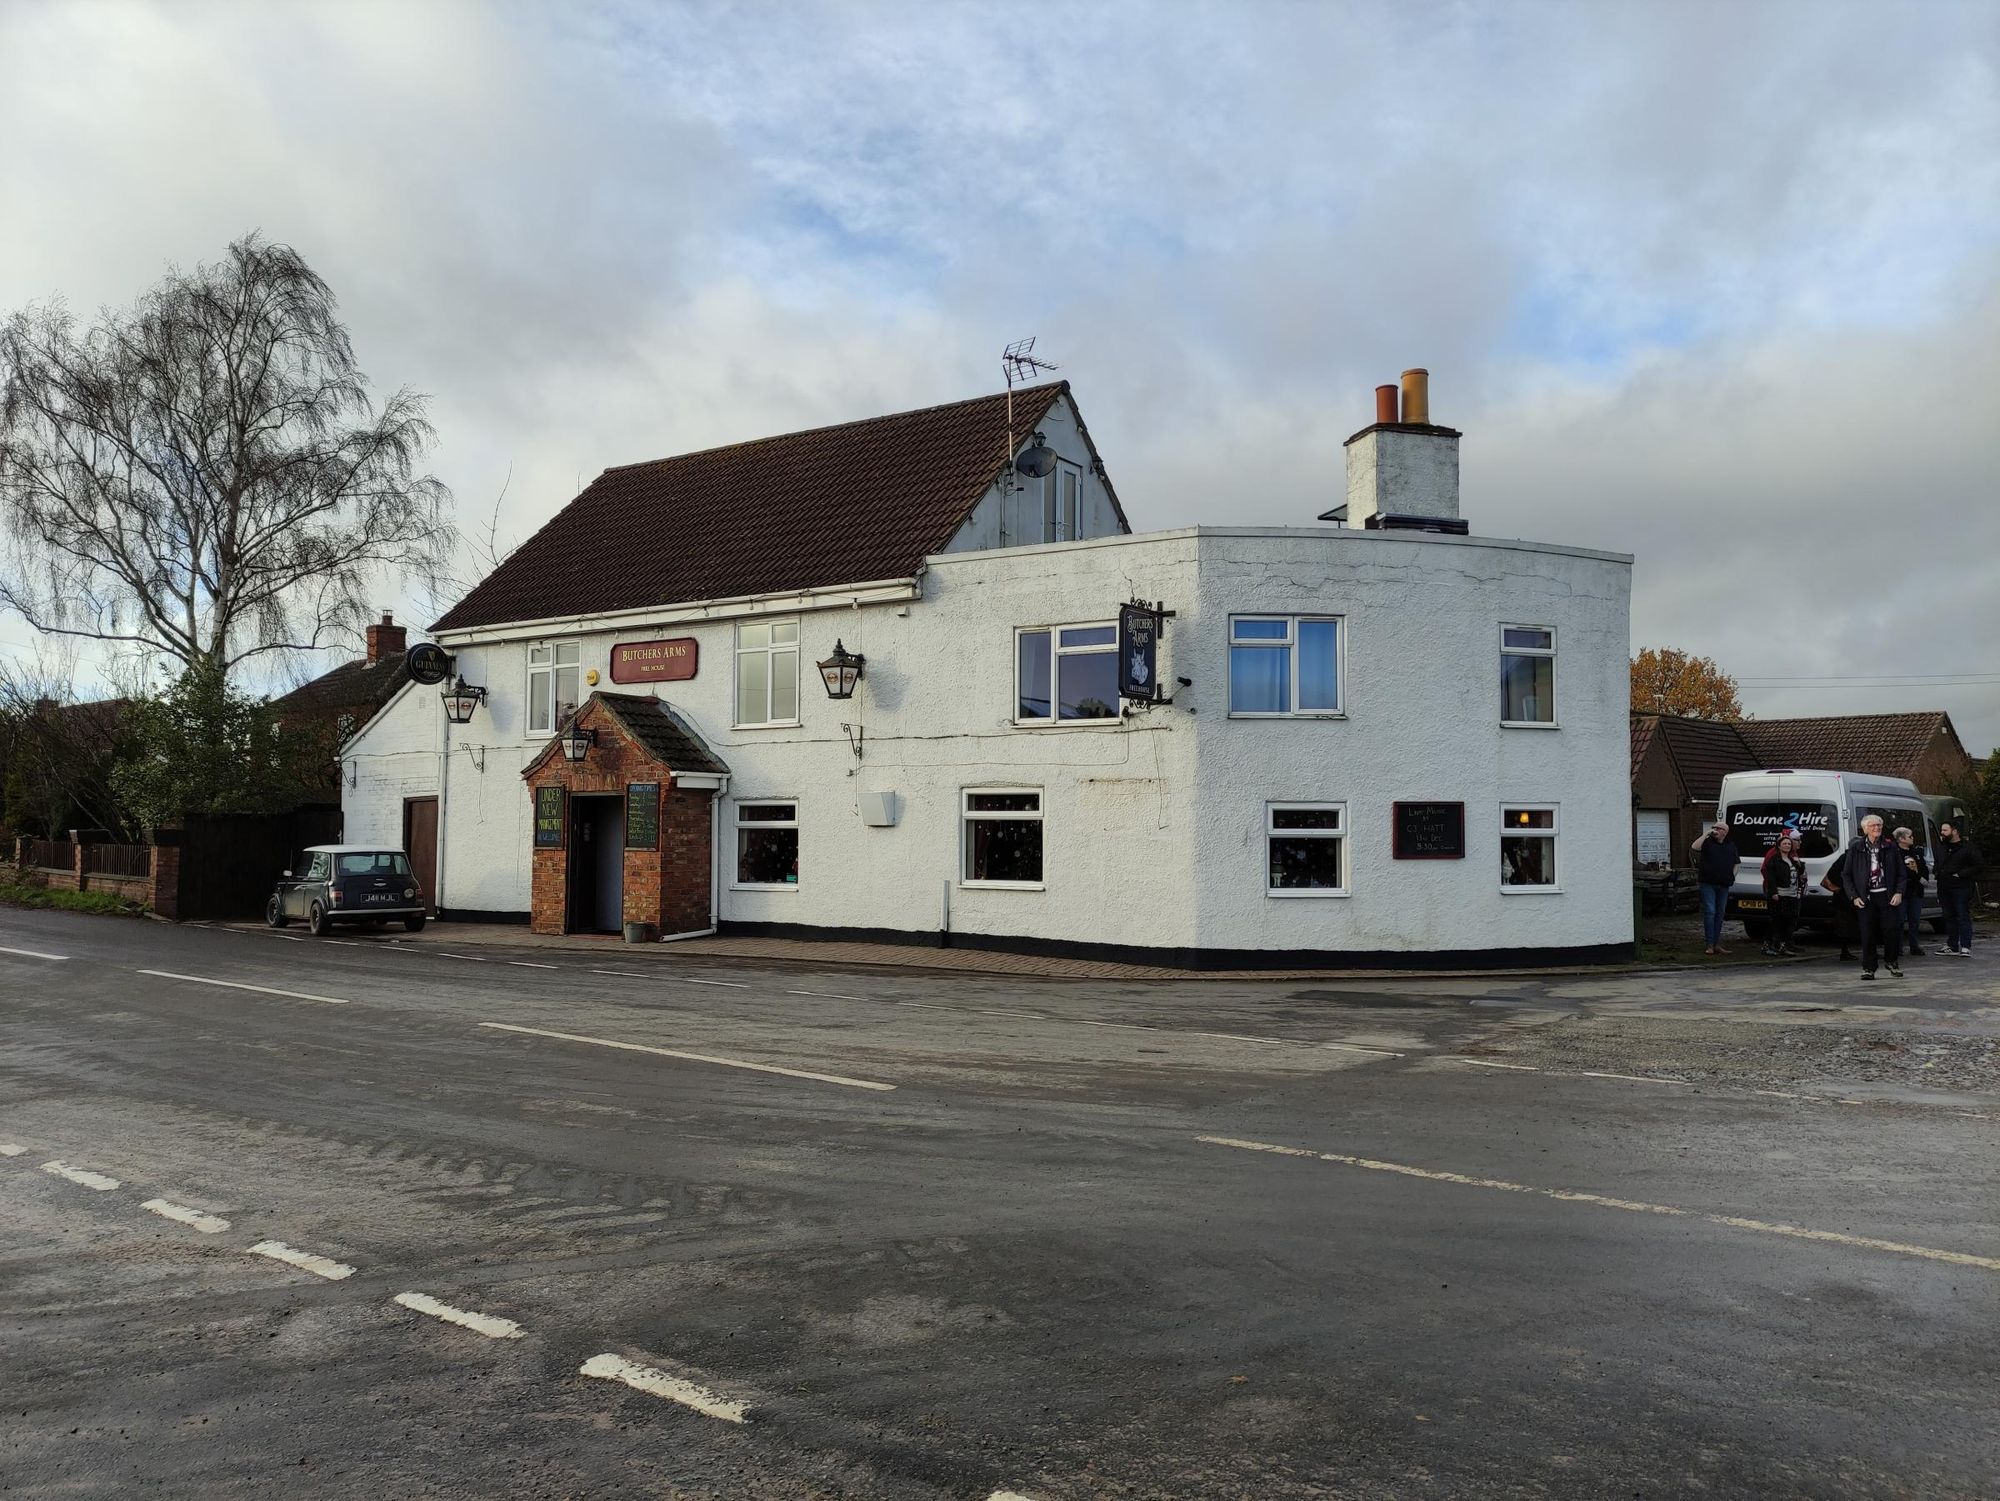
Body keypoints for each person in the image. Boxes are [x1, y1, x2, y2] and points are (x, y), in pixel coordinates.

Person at [1841, 813, 1906, 979]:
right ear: (1865, 829)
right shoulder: (1856, 849)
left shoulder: (1891, 847)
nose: (1876, 828)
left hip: (1887, 895)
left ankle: (1892, 961)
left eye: (1879, 825)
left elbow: (1901, 873)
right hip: (1866, 898)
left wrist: (1898, 892)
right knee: (1867, 933)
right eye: (1873, 826)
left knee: (1891, 931)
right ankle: (1869, 967)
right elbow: (1846, 875)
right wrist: (1853, 896)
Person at [1691, 819, 1742, 956]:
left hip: (1724, 884)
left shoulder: (1730, 845)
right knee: (1710, 911)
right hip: (1708, 883)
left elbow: (1737, 863)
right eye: (1714, 827)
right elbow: (1695, 847)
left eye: (1719, 828)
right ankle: (1709, 944)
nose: (1716, 830)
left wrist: (1732, 875)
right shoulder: (1707, 843)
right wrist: (1706, 833)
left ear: (1725, 832)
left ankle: (1716, 943)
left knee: (1720, 914)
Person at [1935, 820, 1984, 957]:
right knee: (1948, 916)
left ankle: (1966, 946)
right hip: (1944, 886)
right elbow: (1938, 862)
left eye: (1945, 830)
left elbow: (1979, 865)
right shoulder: (1941, 846)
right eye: (1942, 830)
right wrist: (1937, 872)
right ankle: (1952, 945)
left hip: (1960, 887)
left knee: (1962, 915)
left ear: (1955, 831)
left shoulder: (1968, 847)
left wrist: (1961, 874)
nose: (1942, 833)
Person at [1760, 832, 1806, 957]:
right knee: (1775, 921)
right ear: (1779, 846)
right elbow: (1770, 878)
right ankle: (1766, 945)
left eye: (1789, 844)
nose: (1787, 846)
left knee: (1787, 922)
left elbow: (1800, 874)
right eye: (1784, 844)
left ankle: (1782, 946)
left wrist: (1801, 869)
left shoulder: (1792, 859)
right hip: (1779, 895)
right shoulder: (1774, 860)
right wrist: (1773, 892)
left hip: (1791, 895)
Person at [1893, 827, 1929, 957]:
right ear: (1901, 839)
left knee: (1915, 920)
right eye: (1910, 836)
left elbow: (1923, 868)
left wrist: (1922, 877)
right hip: (1902, 891)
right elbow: (1899, 871)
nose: (1912, 838)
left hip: (1916, 891)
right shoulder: (1894, 853)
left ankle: (1914, 946)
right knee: (1900, 920)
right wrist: (1916, 876)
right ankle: (1897, 947)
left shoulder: (1916, 852)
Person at [1821, 846, 1857, 962]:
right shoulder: (1846, 858)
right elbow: (1832, 874)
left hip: (1851, 896)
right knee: (1844, 924)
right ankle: (1844, 951)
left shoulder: (1857, 857)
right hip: (1844, 898)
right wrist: (1845, 886)